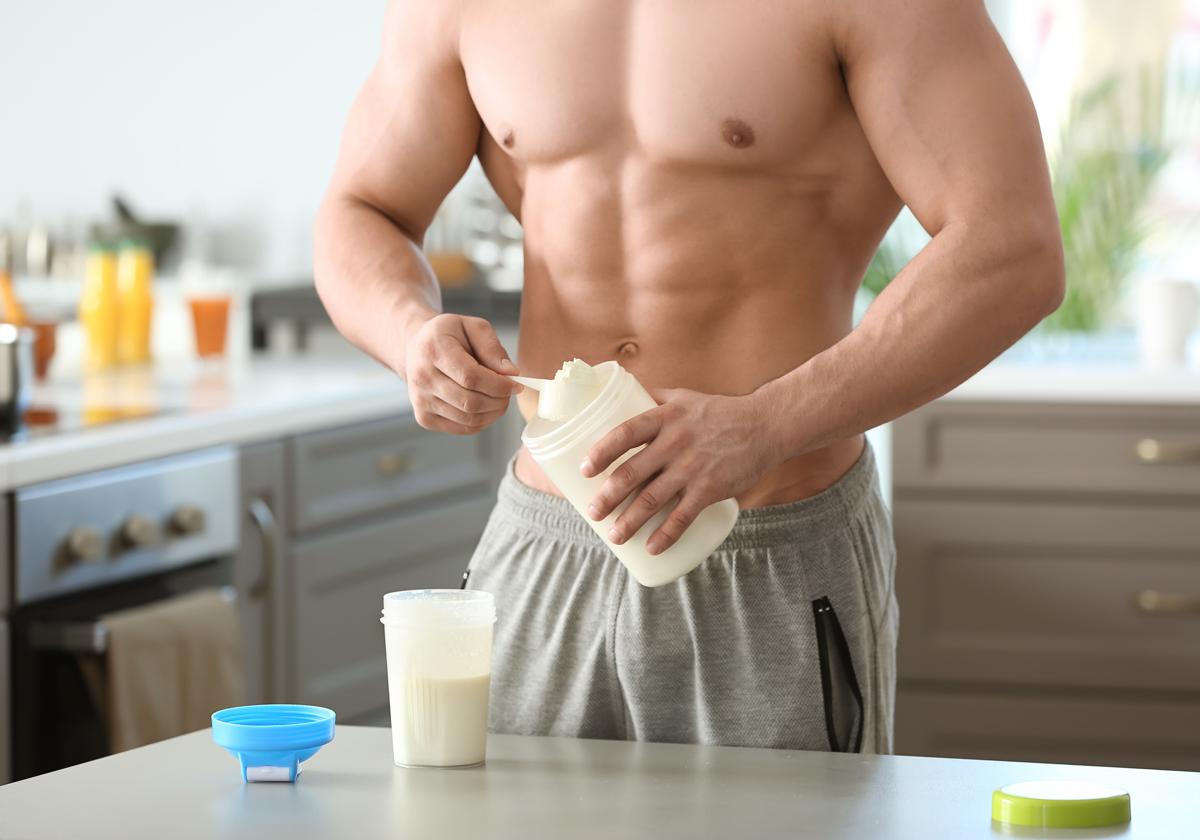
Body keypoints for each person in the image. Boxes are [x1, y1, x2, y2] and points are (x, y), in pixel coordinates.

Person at [314, 0, 1063, 753]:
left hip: (765, 539)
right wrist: (411, 334)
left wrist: (766, 423)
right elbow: (362, 207)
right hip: (544, 540)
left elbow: (1012, 246)